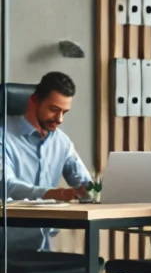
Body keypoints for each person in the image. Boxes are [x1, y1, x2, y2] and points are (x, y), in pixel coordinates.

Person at [3, 72, 92, 252]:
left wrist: (92, 190)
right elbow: (6, 186)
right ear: (34, 101)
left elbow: (85, 185)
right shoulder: (3, 135)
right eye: (54, 109)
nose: (59, 119)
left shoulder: (62, 142)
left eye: (64, 112)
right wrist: (55, 193)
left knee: (90, 266)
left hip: (43, 244)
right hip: (6, 244)